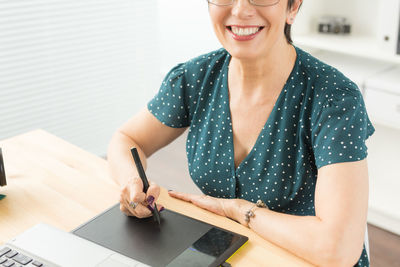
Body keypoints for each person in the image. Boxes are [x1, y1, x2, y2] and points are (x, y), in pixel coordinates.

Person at [107, 0, 374, 266]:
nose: (240, 10)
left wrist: (236, 209)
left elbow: (338, 249)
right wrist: (132, 182)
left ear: (292, 8)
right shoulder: (195, 78)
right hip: (227, 254)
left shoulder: (334, 98)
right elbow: (127, 139)